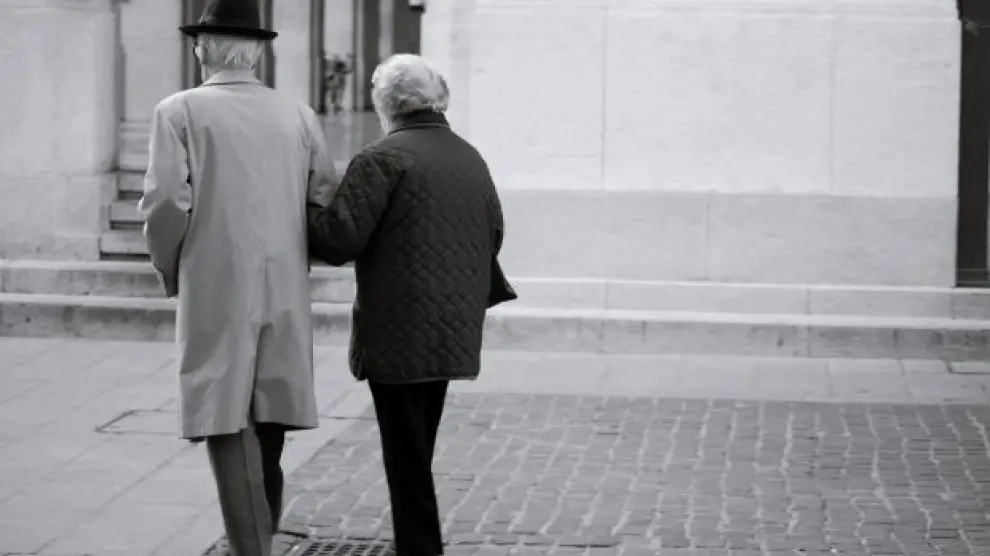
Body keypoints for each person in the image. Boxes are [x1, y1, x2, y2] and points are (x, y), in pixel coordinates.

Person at [138, 0, 336, 554]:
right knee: (269, 417)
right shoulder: (298, 113)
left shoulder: (178, 111)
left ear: (202, 49)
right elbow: (322, 193)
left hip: (215, 278)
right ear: (256, 53)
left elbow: (165, 203)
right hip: (282, 280)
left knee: (224, 415)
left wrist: (170, 265)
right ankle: (260, 532)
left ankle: (252, 546)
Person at [307, 54, 506, 556]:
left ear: (384, 103)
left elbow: (338, 240)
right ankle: (419, 544)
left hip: (399, 328)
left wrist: (305, 203)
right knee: (417, 446)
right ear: (437, 100)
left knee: (406, 456)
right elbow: (495, 231)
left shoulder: (382, 158)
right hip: (452, 323)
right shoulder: (468, 156)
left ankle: (420, 547)